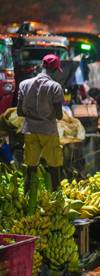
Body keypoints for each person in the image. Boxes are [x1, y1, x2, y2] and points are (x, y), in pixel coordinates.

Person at [17, 54, 65, 191]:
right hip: (49, 132)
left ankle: (27, 200)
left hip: (30, 130)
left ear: (42, 66)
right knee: (54, 168)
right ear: (55, 70)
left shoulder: (24, 84)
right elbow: (59, 116)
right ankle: (56, 202)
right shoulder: (55, 87)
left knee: (31, 169)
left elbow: (20, 112)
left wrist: (33, 115)